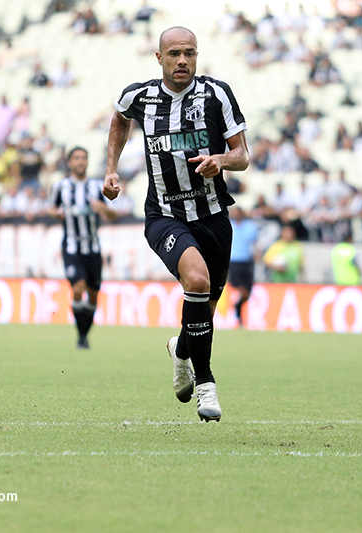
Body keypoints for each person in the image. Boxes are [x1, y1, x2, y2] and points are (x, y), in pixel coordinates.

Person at [103, 27, 249, 422]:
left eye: (189, 53)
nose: (182, 60)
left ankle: (180, 350)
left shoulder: (217, 94)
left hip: (214, 216)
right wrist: (111, 169)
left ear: (197, 56)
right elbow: (119, 119)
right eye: (174, 54)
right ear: (159, 57)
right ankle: (206, 385)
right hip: (165, 216)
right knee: (197, 282)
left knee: (206, 307)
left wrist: (221, 160)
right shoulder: (141, 96)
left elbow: (243, 155)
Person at [50, 146, 118, 349]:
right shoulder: (60, 187)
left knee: (94, 294)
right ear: (69, 163)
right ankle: (81, 335)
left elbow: (114, 215)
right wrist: (58, 213)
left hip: (93, 247)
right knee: (78, 289)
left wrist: (103, 208)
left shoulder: (97, 186)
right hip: (71, 247)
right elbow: (51, 209)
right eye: (77, 158)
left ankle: (84, 334)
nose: (80, 162)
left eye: (84, 158)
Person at [228, 206, 259, 327]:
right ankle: (238, 314)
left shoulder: (250, 227)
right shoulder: (229, 225)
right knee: (240, 288)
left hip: (247, 261)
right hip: (234, 261)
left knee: (248, 292)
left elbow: (255, 242)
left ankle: (238, 307)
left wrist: (257, 253)